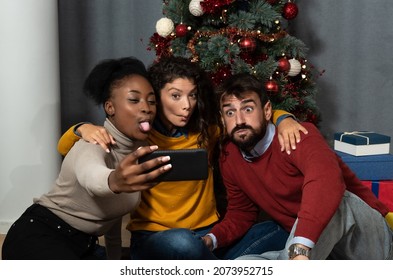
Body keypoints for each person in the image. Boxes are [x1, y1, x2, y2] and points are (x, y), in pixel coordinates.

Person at [57, 56, 308, 259]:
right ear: (156, 97)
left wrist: (283, 118)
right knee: (181, 241)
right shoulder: (138, 136)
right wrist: (81, 128)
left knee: (279, 227)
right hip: (156, 239)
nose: (187, 105)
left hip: (208, 236)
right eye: (175, 96)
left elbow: (248, 118)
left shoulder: (208, 132)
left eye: (192, 95)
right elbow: (64, 147)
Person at [203, 72, 393, 260]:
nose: (239, 120)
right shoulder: (230, 157)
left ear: (267, 111)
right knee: (245, 264)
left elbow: (326, 182)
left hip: (372, 243)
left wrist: (300, 249)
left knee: (334, 200)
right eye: (230, 112)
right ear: (222, 119)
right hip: (320, 251)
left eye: (248, 109)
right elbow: (241, 213)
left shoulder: (297, 134)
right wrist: (212, 239)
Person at [1, 57, 172, 260]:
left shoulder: (139, 153)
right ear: (110, 107)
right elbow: (92, 178)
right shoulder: (92, 143)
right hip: (39, 236)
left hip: (84, 245)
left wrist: (115, 262)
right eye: (134, 100)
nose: (147, 108)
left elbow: (112, 217)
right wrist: (114, 180)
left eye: (151, 101)